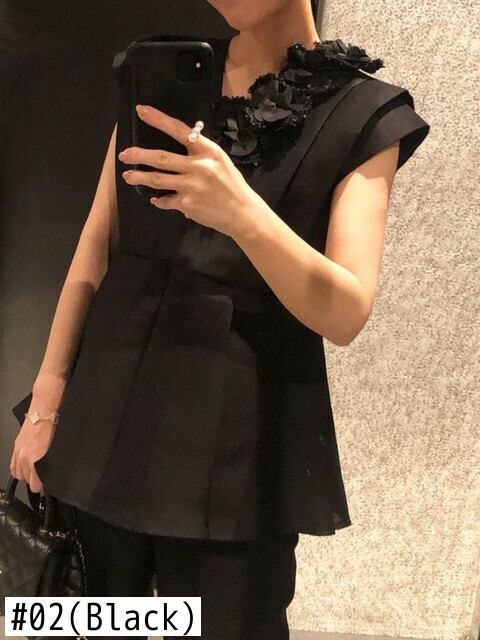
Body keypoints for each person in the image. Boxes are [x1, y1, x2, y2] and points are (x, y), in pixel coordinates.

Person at [9, 0, 430, 638]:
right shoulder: (159, 77)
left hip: (235, 456)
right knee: (94, 621)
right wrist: (47, 403)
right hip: (105, 424)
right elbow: (97, 248)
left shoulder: (364, 112)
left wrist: (241, 213)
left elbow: (345, 313)